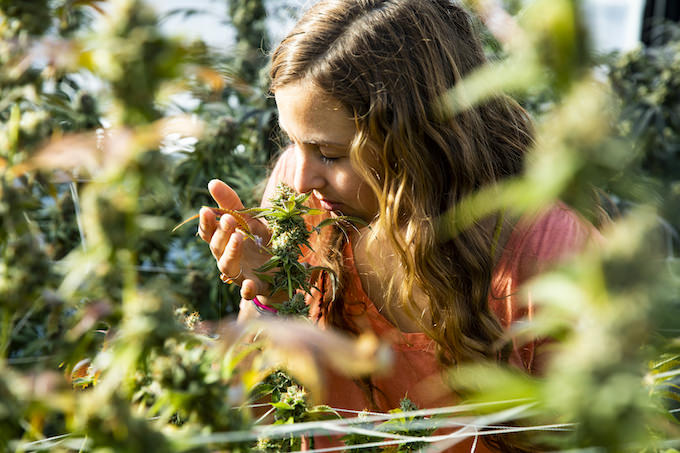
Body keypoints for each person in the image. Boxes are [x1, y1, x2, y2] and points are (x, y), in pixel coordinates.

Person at [198, 0, 601, 450]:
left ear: (418, 141)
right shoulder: (304, 200)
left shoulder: (550, 252)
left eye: (329, 154)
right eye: (294, 143)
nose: (301, 178)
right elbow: (259, 420)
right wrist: (270, 299)